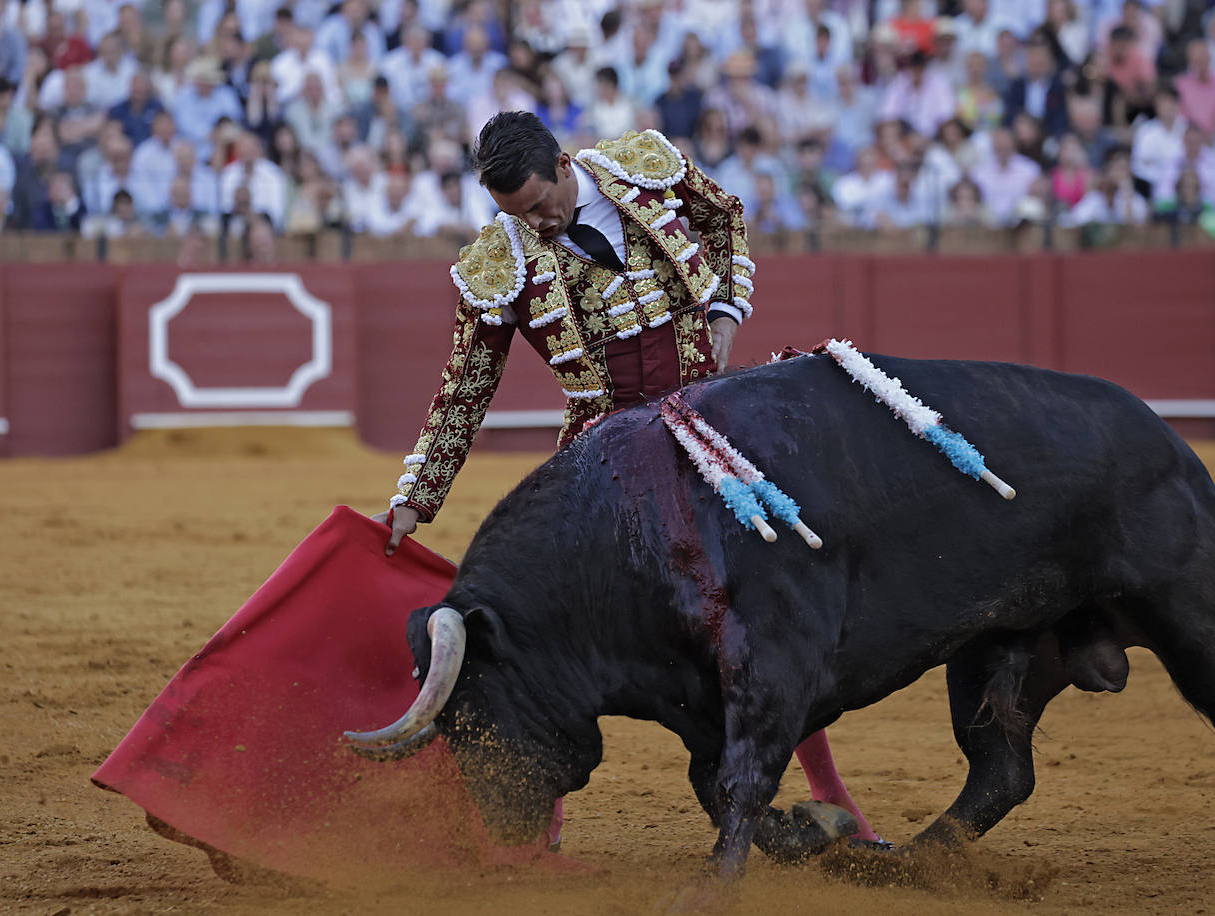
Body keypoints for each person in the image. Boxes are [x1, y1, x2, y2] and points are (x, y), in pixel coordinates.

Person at [372, 111, 880, 848]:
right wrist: (416, 497)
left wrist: (729, 306)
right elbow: (464, 389)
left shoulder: (641, 165)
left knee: (773, 607)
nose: (538, 224)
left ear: (563, 163)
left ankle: (830, 791)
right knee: (554, 631)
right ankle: (537, 824)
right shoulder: (497, 259)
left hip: (711, 418)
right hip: (605, 453)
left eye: (542, 205)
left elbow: (725, 216)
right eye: (517, 215)